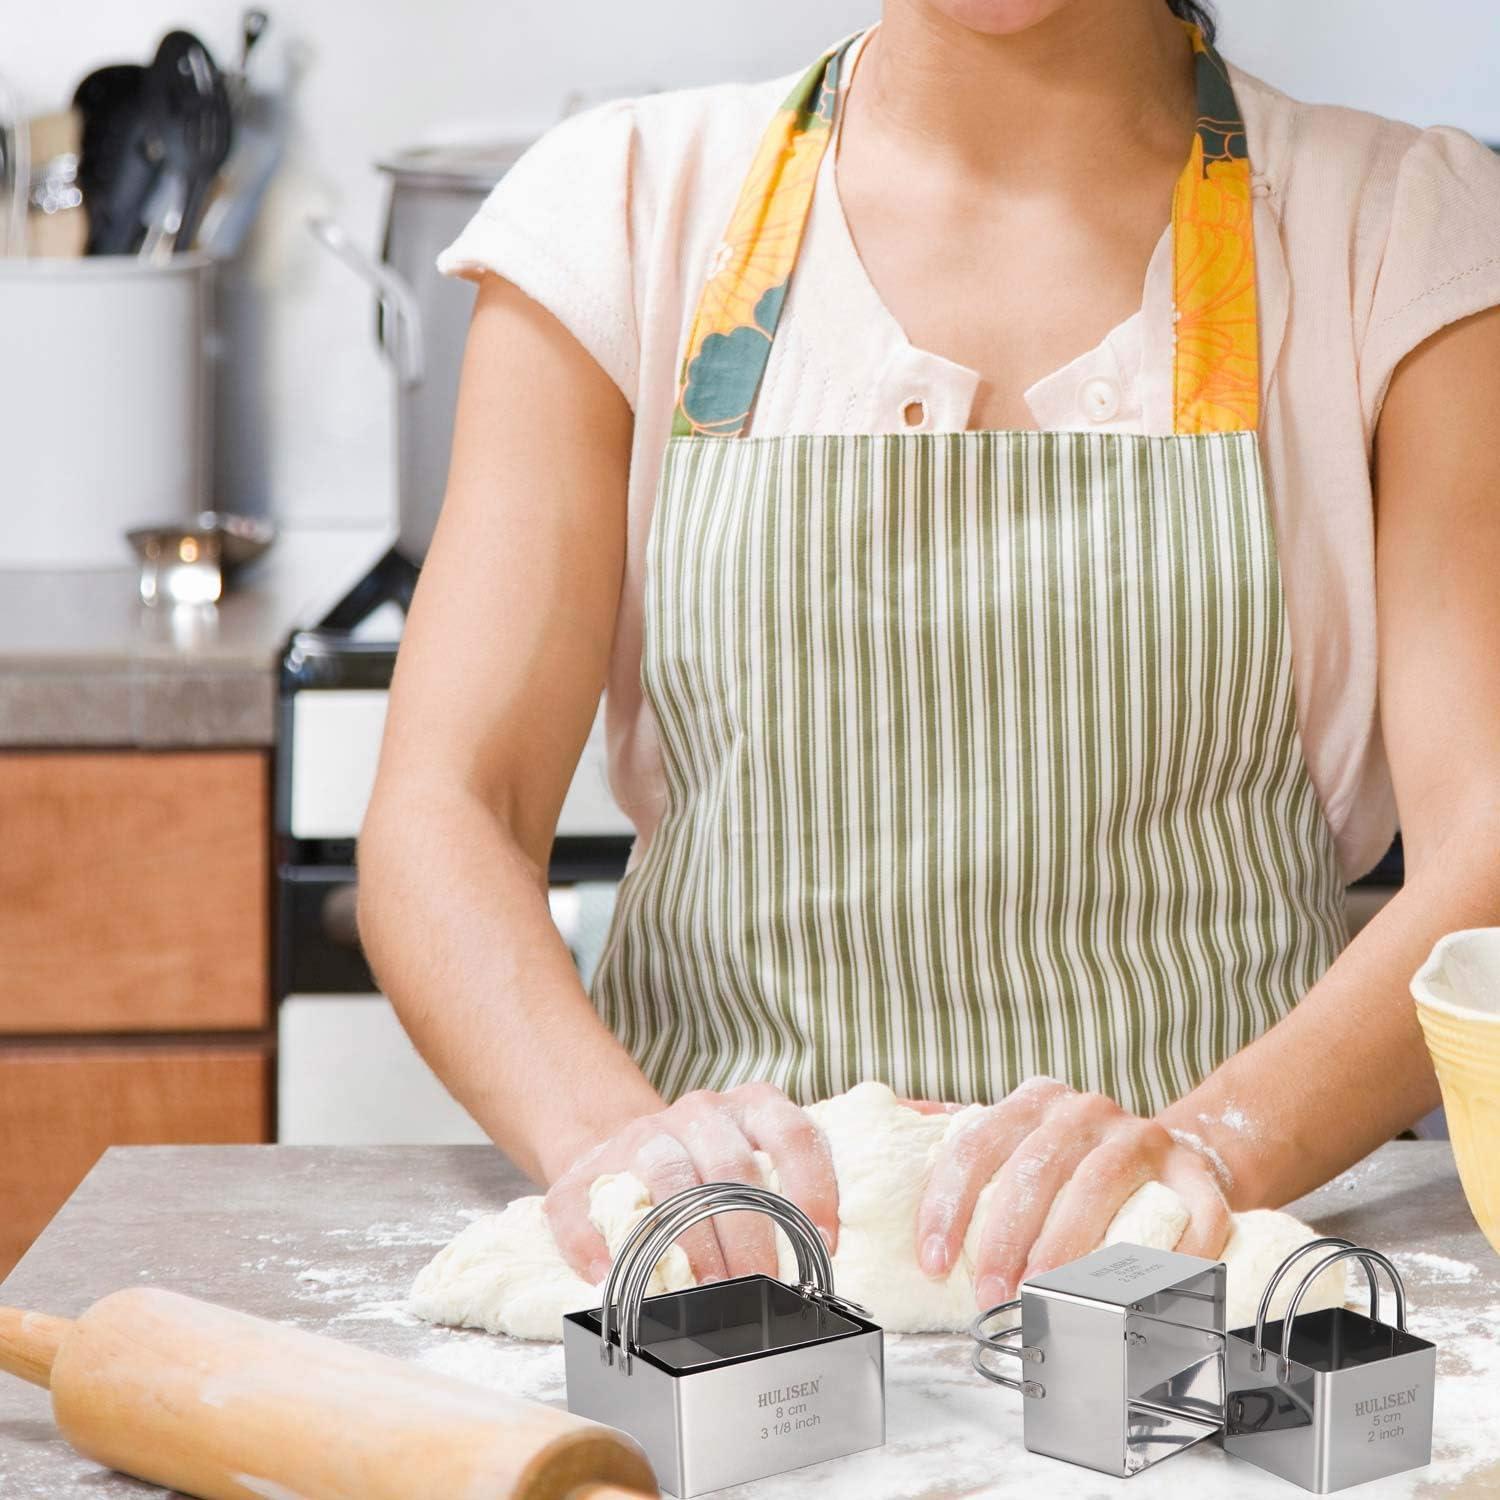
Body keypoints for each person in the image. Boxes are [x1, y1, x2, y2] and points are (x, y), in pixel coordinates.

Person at [359, 0, 1500, 1313]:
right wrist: (621, 1148)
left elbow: (1486, 845)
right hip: (715, 1296)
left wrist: (1207, 1151)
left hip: (1211, 1291)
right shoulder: (624, 213)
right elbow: (449, 810)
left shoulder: (1400, 238)